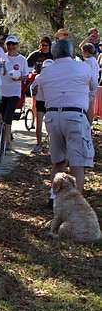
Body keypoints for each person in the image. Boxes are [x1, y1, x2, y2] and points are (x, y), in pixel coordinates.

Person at [35, 39, 97, 205]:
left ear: (54, 54)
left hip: (53, 116)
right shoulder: (83, 67)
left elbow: (40, 96)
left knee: (58, 160)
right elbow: (93, 86)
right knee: (78, 161)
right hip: (75, 115)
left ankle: (54, 196)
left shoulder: (46, 72)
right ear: (71, 53)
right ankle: (75, 201)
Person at [26, 36, 53, 154]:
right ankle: (39, 143)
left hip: (51, 102)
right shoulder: (38, 77)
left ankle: (51, 144)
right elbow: (33, 89)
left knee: (50, 124)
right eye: (42, 45)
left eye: (46, 45)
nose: (44, 47)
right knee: (39, 122)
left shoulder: (55, 78)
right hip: (42, 101)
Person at [1, 35, 28, 151]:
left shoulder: (22, 60)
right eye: (9, 44)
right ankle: (1, 136)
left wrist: (18, 79)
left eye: (13, 44)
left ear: (17, 45)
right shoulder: (2, 58)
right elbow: (0, 72)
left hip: (14, 92)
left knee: (8, 116)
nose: (11, 46)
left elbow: (26, 75)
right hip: (2, 91)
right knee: (0, 116)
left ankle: (7, 141)